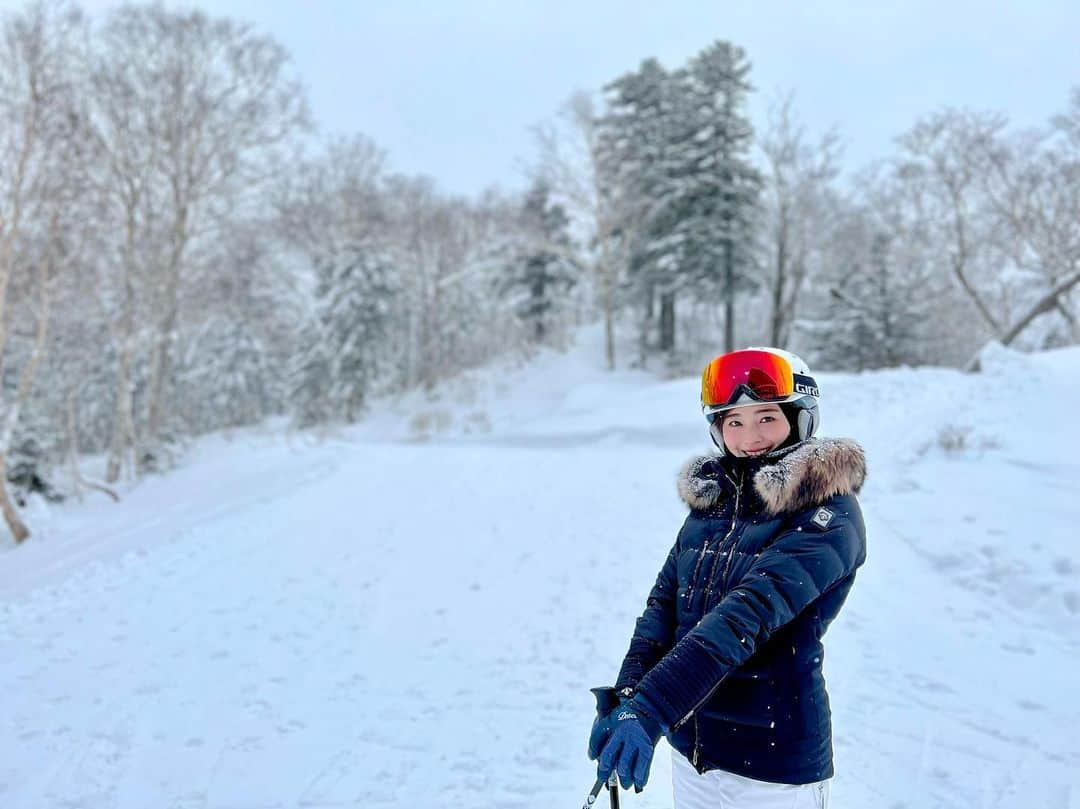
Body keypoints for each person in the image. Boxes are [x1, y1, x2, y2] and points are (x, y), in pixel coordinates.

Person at [587, 347, 867, 809]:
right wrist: (629, 696)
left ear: (800, 419)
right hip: (694, 754)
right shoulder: (713, 505)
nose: (749, 436)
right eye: (733, 422)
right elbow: (663, 609)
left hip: (773, 766)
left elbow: (744, 616)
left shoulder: (828, 513)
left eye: (766, 418)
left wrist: (652, 709)